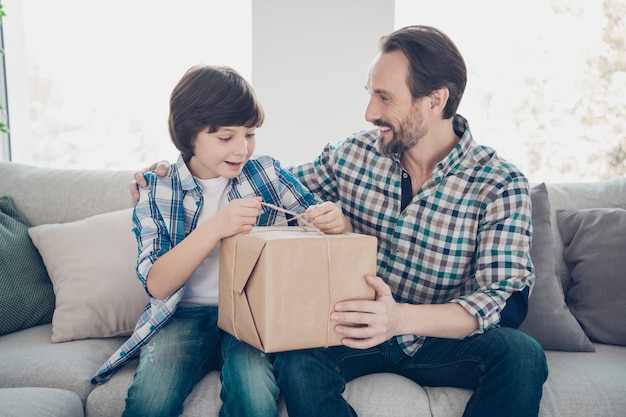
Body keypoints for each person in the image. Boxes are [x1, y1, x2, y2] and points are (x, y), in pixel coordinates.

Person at [131, 25, 548, 417]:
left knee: (521, 354)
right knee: (295, 356)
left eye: (384, 98)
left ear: (435, 101)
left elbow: (505, 301)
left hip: (436, 339)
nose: (369, 111)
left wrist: (399, 318)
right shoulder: (353, 155)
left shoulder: (499, 183)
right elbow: (257, 183)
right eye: (370, 94)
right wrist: (174, 169)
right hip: (346, 331)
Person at [92, 64, 351, 417]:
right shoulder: (158, 189)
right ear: (189, 136)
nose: (242, 149)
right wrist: (215, 227)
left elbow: (322, 228)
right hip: (183, 315)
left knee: (256, 398)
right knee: (150, 401)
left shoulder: (266, 173)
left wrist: (337, 221)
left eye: (250, 134)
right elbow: (157, 284)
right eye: (226, 138)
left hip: (250, 314)